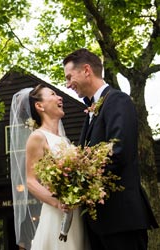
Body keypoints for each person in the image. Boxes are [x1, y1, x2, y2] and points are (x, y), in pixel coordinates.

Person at [63, 48, 159, 250]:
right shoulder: (92, 111)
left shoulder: (117, 100)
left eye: (69, 76)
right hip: (100, 223)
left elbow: (118, 150)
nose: (67, 84)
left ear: (86, 70)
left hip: (121, 218)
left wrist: (80, 184)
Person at [9, 84, 90, 250]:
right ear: (40, 105)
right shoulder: (37, 137)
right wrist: (58, 203)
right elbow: (31, 181)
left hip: (77, 214)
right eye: (53, 94)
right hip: (57, 213)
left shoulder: (65, 141)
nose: (60, 97)